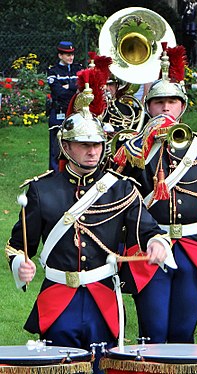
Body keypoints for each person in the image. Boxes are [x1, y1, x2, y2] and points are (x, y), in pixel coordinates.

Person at [5, 73, 174, 374]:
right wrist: (21, 266)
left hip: (103, 299)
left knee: (101, 368)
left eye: (97, 144)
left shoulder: (121, 188)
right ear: (66, 147)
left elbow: (148, 229)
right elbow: (17, 247)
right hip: (58, 299)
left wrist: (157, 243)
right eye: (83, 144)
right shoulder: (42, 190)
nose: (92, 151)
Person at [113, 46, 197, 344]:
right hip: (149, 250)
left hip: (193, 248)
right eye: (159, 102)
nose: (166, 108)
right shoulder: (133, 150)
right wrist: (141, 143)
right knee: (153, 333)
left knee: (183, 333)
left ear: (182, 107)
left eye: (172, 102)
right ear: (149, 108)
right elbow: (119, 202)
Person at [47, 41, 83, 172]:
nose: (71, 57)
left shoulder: (78, 69)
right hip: (59, 112)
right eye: (67, 55)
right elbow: (58, 92)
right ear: (60, 55)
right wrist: (73, 88)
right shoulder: (53, 71)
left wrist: (69, 86)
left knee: (75, 143)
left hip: (75, 112)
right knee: (56, 146)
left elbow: (83, 85)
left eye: (72, 54)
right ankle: (54, 174)